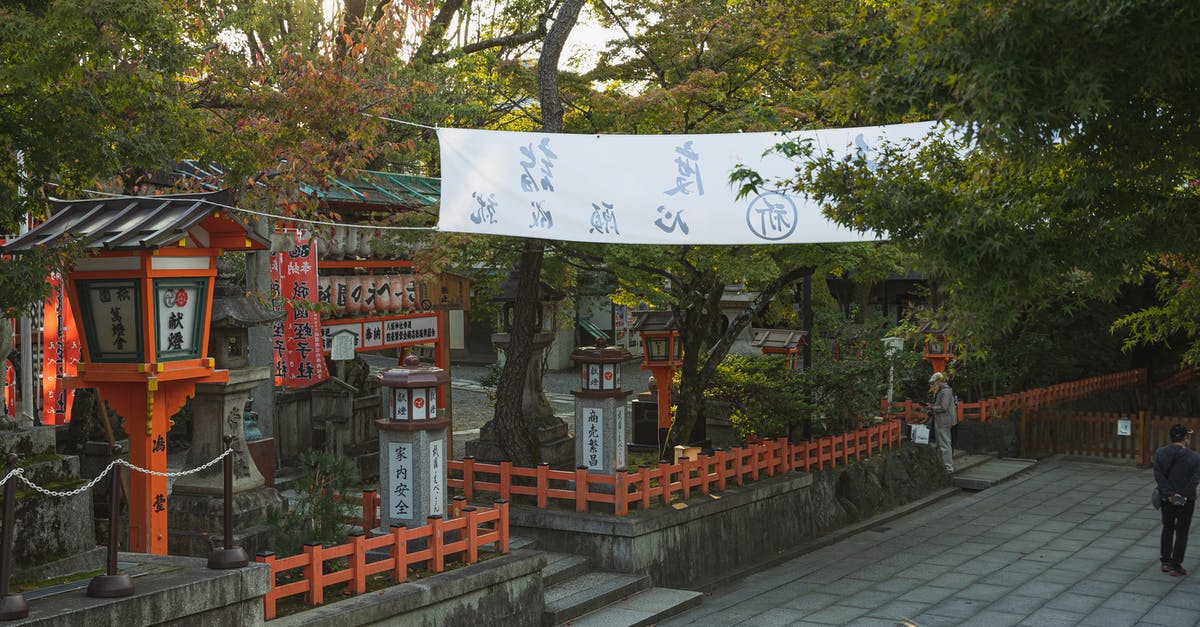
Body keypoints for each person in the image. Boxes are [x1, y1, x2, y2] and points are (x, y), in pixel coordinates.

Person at [1154, 423, 1200, 576]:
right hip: (1186, 501)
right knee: (1182, 531)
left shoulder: (1160, 453)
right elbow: (1195, 479)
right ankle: (1176, 565)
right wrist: (1182, 496)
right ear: (1186, 438)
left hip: (1167, 499)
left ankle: (1165, 561)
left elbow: (1159, 475)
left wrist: (1169, 494)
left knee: (1167, 528)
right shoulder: (1195, 457)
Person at [928, 372, 956, 472]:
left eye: (934, 383)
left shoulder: (946, 391)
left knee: (945, 444)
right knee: (941, 443)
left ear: (939, 381)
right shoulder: (940, 391)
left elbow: (944, 407)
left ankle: (948, 467)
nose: (933, 385)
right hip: (940, 420)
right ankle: (944, 465)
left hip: (944, 420)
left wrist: (932, 407)